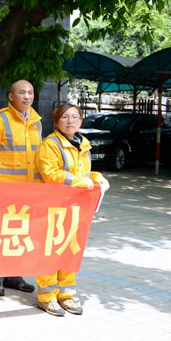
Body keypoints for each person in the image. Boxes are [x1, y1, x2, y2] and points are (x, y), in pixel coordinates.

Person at [35, 104, 109, 316]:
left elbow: (84, 173)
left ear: (81, 120)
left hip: (76, 207)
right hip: (53, 206)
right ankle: (47, 296)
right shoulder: (50, 145)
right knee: (51, 250)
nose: (70, 121)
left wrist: (97, 178)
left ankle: (66, 294)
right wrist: (80, 182)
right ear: (56, 121)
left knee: (70, 249)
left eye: (75, 117)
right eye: (65, 117)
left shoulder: (82, 144)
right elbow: (51, 174)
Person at [0, 80, 42, 297]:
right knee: (0, 233)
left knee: (19, 233)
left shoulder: (37, 122)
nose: (27, 96)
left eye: (30, 92)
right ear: (11, 96)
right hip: (1, 190)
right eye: (22, 92)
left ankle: (15, 276)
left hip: (27, 191)